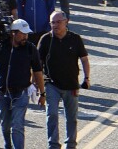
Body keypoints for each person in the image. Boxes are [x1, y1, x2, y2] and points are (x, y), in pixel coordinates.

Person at [36, 11, 90, 149]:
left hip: (71, 85)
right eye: (52, 22)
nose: (55, 25)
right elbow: (37, 63)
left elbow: (84, 59)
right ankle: (53, 144)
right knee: (52, 115)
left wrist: (87, 78)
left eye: (58, 22)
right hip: (51, 84)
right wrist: (35, 82)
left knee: (71, 118)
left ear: (66, 22)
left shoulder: (75, 39)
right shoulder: (45, 39)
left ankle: (70, 144)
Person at [0, 19, 44, 149]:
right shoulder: (0, 47)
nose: (25, 36)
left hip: (21, 93)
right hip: (3, 93)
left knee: (17, 125)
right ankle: (8, 145)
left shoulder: (30, 48)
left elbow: (38, 71)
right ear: (13, 33)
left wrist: (43, 92)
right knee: (5, 125)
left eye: (26, 34)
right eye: (22, 33)